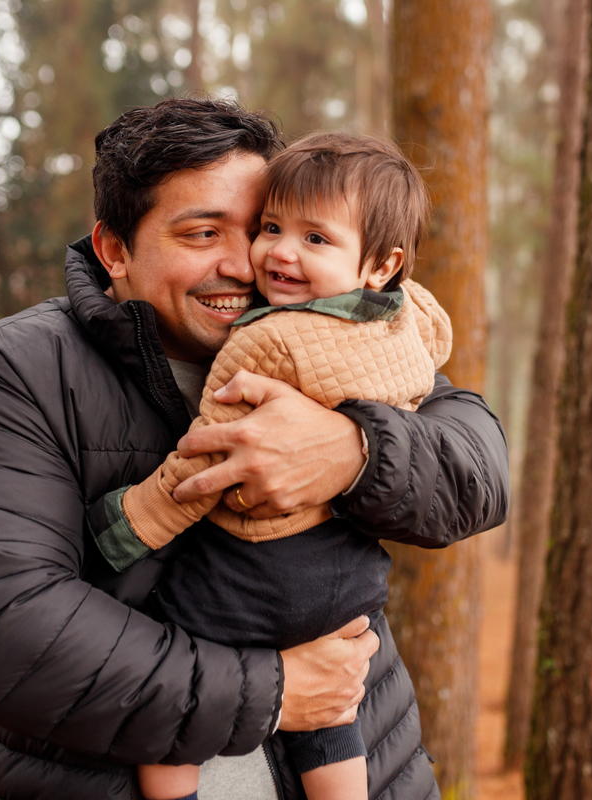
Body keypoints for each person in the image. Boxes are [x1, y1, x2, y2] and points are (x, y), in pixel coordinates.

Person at [0, 98, 509, 800]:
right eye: (202, 233)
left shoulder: (336, 329)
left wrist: (356, 451)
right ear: (114, 250)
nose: (249, 263)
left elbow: (480, 470)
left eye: (257, 228)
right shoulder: (15, 371)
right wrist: (273, 692)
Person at [95, 132, 449, 800]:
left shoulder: (263, 340)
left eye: (314, 239)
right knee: (335, 714)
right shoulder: (413, 318)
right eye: (273, 228)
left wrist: (128, 525)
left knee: (167, 701)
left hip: (255, 572)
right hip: (350, 578)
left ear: (382, 263)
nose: (273, 254)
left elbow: (207, 461)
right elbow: (436, 363)